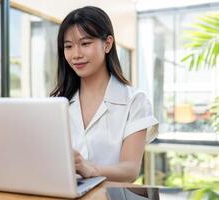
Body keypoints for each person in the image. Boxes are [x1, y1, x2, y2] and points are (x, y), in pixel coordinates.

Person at [50, 6, 158, 182]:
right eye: (68, 46)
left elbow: (130, 169)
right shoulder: (57, 103)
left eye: (85, 44)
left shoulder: (135, 101)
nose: (76, 54)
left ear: (107, 44)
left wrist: (91, 169)